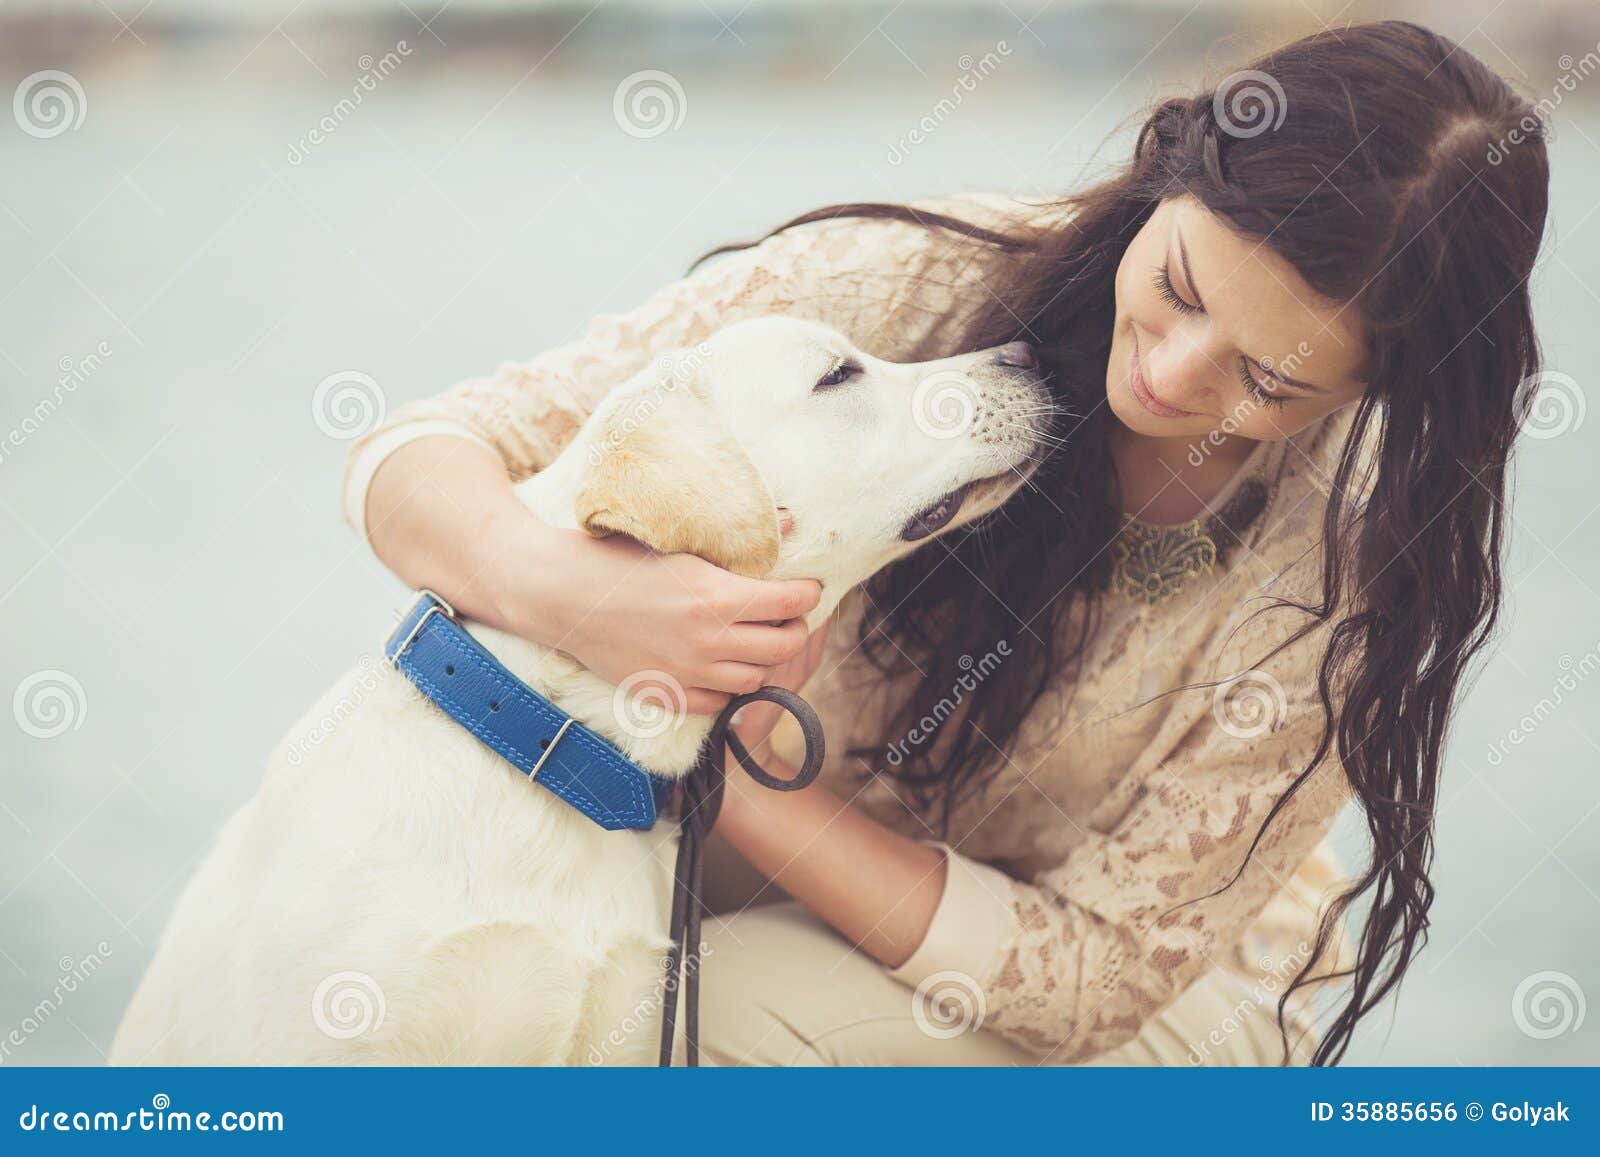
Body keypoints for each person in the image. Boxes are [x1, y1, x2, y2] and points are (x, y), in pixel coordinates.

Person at [343, 21, 1550, 1065]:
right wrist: (563, 593)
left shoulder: (1345, 560)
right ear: (1167, 166)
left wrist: (737, 775)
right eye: (1179, 287)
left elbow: (1091, 977)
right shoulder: (907, 285)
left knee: (672, 1019)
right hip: (763, 882)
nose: (1173, 376)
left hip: (1142, 1017)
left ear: (1380, 388)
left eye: (1269, 380)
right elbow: (425, 450)